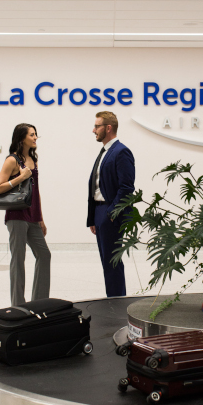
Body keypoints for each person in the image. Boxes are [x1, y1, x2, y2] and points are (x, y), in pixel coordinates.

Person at [0, 123, 51, 305]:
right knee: (18, 261)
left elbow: (37, 192)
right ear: (21, 138)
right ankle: (18, 305)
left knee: (44, 255)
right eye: (32, 135)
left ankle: (39, 302)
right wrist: (21, 176)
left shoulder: (33, 160)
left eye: (36, 135)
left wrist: (40, 217)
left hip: (33, 216)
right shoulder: (12, 160)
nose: (35, 138)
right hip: (16, 216)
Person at [87, 111, 135, 297]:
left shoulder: (121, 151)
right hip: (100, 212)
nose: (93, 130)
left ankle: (116, 302)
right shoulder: (105, 152)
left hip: (111, 213)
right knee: (107, 261)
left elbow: (126, 187)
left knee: (112, 262)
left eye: (97, 126)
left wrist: (111, 214)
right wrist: (93, 217)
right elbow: (95, 186)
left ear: (108, 128)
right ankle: (113, 300)